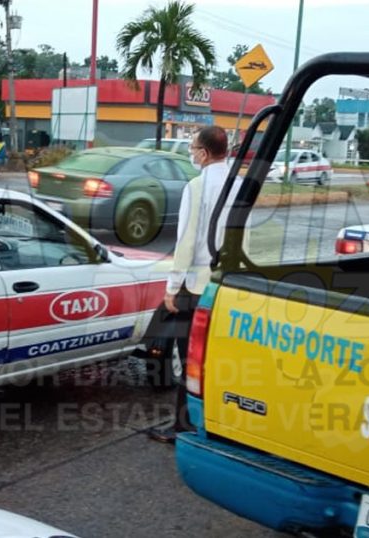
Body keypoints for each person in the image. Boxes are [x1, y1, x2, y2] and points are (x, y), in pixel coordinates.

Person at [146, 126, 245, 444]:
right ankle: (218, 421)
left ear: (204, 153)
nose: (190, 153)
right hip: (228, 285)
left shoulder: (197, 186)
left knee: (190, 356)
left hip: (197, 287)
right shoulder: (241, 185)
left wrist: (173, 287)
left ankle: (184, 426)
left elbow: (187, 241)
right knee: (217, 357)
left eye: (192, 148)